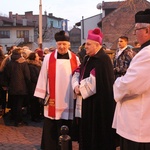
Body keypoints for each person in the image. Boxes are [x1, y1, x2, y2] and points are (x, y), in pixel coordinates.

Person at [34, 30, 80, 150]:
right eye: (59, 44)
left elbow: (78, 77)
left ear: (68, 44)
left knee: (66, 124)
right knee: (51, 124)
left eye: (64, 44)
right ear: (56, 44)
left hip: (68, 98)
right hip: (52, 98)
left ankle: (65, 147)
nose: (62, 46)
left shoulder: (75, 59)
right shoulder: (49, 58)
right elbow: (43, 76)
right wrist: (41, 94)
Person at [72, 28, 116, 150]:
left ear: (97, 45)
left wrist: (79, 89)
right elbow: (78, 72)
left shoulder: (103, 60)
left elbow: (94, 83)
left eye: (88, 44)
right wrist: (75, 85)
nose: (85, 46)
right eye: (86, 43)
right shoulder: (87, 58)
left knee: (96, 136)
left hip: (97, 105)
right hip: (87, 103)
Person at [112, 9, 150, 150]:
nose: (135, 33)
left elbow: (129, 86)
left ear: (147, 30)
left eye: (137, 29)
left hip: (139, 124)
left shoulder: (146, 54)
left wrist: (117, 82)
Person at [4, 47, 30, 127]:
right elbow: (27, 76)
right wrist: (28, 85)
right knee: (19, 104)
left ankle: (14, 118)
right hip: (22, 87)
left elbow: (7, 76)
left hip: (12, 87)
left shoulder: (9, 63)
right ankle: (18, 121)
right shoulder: (23, 63)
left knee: (14, 103)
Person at [27, 52, 42, 122]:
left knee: (37, 102)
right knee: (34, 103)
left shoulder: (38, 65)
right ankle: (34, 116)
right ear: (34, 58)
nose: (38, 57)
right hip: (33, 87)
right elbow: (33, 78)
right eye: (37, 56)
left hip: (37, 86)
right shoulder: (31, 66)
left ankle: (37, 115)